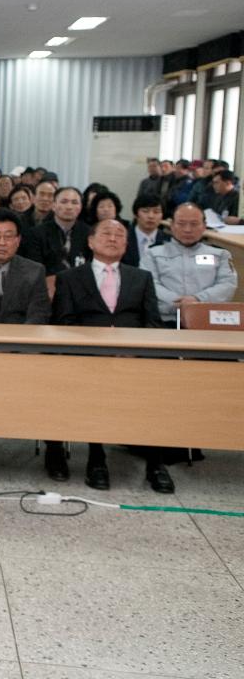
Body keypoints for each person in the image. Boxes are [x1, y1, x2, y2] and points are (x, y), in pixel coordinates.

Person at [49, 219, 167, 492]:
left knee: (160, 389)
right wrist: (95, 349)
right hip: (87, 360)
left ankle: (156, 464)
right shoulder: (70, 278)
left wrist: (135, 352)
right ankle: (96, 458)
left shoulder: (141, 278)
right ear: (90, 242)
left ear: (127, 245)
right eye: (106, 233)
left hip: (135, 360)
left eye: (119, 235)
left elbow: (153, 324)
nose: (113, 238)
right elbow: (63, 323)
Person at [141, 202, 238, 326]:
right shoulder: (152, 254)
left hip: (207, 319)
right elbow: (150, 284)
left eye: (194, 224)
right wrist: (179, 303)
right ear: (172, 226)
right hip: (165, 320)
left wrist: (197, 300)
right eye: (181, 224)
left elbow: (227, 285)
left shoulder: (220, 254)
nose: (187, 229)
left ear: (204, 226)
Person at [20, 186, 89, 278]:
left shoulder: (89, 233)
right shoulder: (36, 234)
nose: (69, 207)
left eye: (74, 202)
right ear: (53, 205)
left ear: (80, 207)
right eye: (64, 202)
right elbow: (34, 268)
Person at [123, 192, 171, 267]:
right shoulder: (123, 238)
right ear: (135, 214)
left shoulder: (169, 241)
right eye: (145, 211)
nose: (151, 216)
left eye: (156, 212)